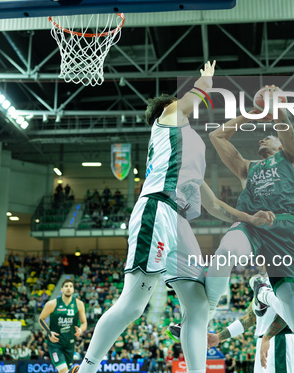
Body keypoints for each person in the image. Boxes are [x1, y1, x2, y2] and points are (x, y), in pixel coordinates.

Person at [72, 61, 273, 373]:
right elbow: (193, 98)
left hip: (179, 222)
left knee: (197, 305)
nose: (181, 107)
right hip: (157, 210)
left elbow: (215, 205)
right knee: (133, 306)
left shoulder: (187, 152)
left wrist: (250, 217)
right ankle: (86, 367)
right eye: (176, 104)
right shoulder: (166, 121)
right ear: (166, 110)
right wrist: (206, 80)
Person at [205, 85, 294, 336]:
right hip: (251, 225)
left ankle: (262, 292)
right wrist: (251, 114)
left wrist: (278, 111)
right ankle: (204, 315)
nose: (262, 138)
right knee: (227, 250)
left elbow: (288, 134)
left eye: (268, 136)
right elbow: (216, 137)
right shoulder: (247, 168)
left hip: (284, 231)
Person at [207, 276, 294, 373]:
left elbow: (287, 311)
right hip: (264, 340)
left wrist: (267, 337)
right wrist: (219, 336)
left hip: (278, 339)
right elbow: (249, 319)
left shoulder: (282, 278)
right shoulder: (261, 282)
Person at [39, 279, 87, 373]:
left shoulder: (79, 304)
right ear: (62, 289)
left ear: (73, 289)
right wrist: (49, 332)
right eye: (66, 286)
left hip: (69, 344)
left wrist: (80, 330)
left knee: (66, 371)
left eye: (70, 286)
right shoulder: (52, 303)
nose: (68, 288)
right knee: (63, 371)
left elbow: (84, 323)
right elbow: (41, 319)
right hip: (55, 344)